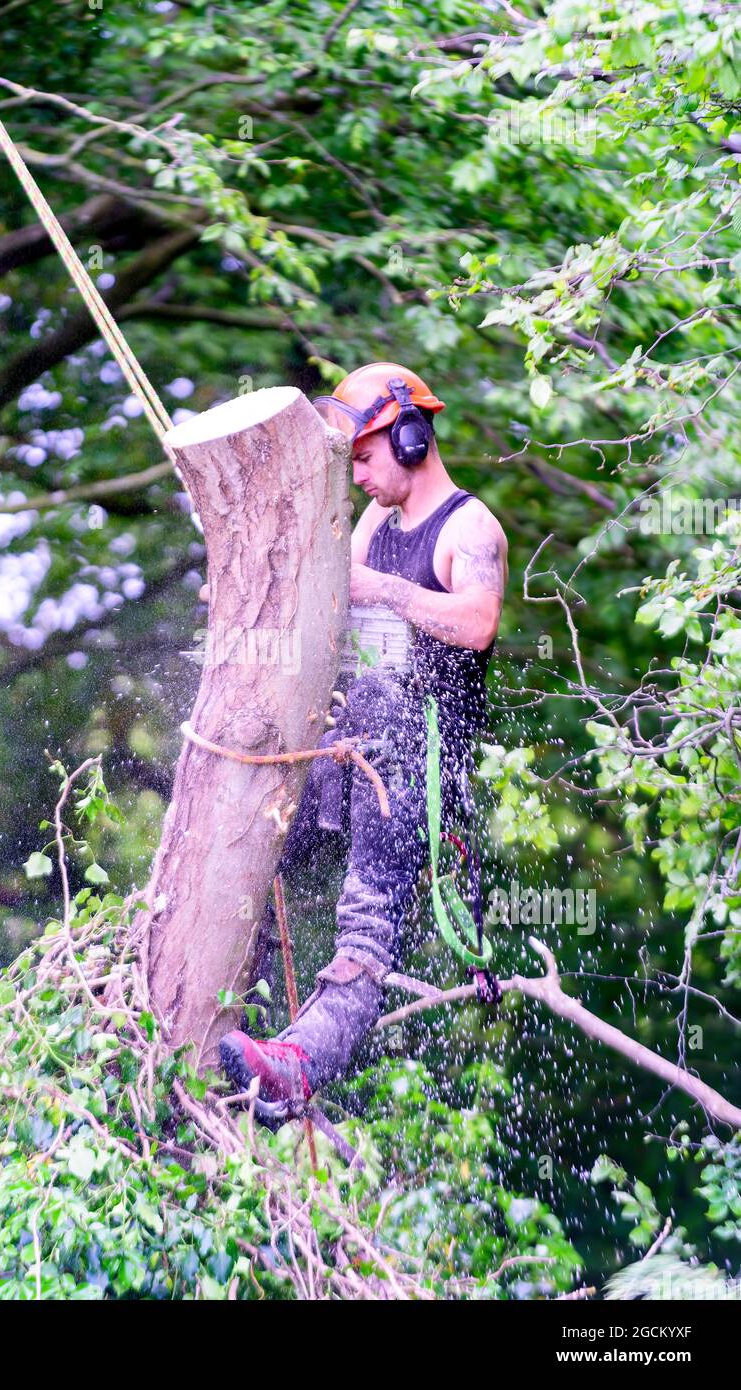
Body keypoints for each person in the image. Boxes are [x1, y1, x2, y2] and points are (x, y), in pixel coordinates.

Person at [218, 362, 508, 1124]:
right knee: (253, 833)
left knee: (365, 923)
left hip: (421, 757)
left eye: (367, 458)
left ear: (410, 439)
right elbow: (335, 587)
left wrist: (390, 593)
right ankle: (222, 1023)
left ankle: (299, 1065)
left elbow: (477, 623)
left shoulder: (469, 528)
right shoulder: (377, 524)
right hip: (354, 736)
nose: (362, 478)